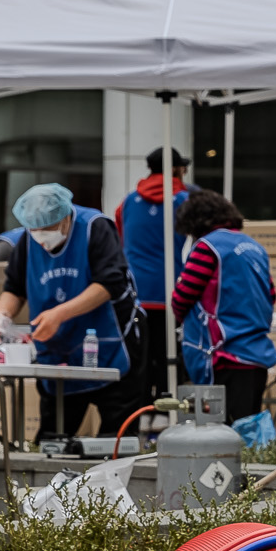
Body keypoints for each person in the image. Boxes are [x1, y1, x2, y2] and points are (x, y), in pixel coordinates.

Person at [0, 182, 144, 440]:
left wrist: (59, 314)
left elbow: (109, 284)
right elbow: (14, 288)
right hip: (59, 352)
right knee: (53, 437)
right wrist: (1, 314)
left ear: (64, 219)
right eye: (34, 230)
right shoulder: (29, 240)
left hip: (109, 345)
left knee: (117, 440)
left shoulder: (95, 227)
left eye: (47, 229)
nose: (41, 237)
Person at [168, 189, 276, 422]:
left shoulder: (207, 248)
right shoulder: (254, 247)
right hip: (257, 354)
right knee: (249, 430)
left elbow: (181, 299)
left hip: (223, 354)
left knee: (222, 434)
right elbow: (271, 294)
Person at [115, 147, 190, 401]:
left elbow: (120, 238)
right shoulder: (185, 201)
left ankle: (140, 415)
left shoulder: (127, 202)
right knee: (169, 356)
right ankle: (169, 408)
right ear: (175, 169)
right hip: (170, 291)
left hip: (136, 292)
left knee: (140, 358)